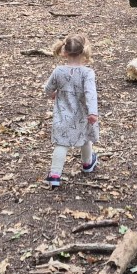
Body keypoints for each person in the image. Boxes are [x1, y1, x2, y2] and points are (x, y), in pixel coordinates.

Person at [43, 33, 99, 187]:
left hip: (62, 115)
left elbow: (48, 88)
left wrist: (52, 94)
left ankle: (54, 175)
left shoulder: (58, 71)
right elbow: (90, 94)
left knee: (61, 144)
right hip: (82, 114)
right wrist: (93, 112)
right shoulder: (87, 73)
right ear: (83, 52)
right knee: (85, 138)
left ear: (65, 52)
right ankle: (87, 164)